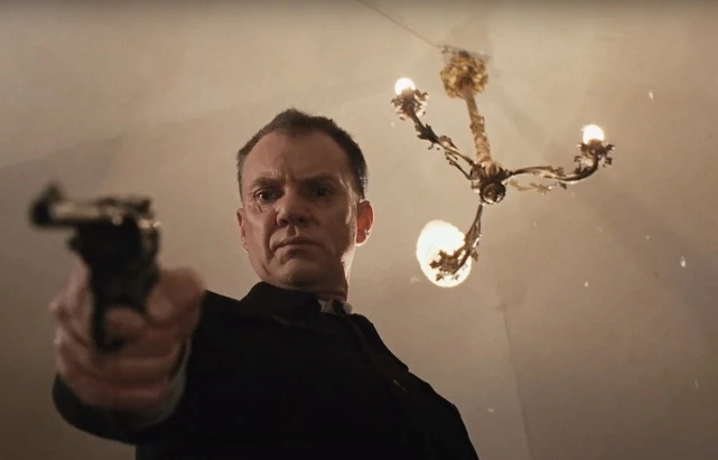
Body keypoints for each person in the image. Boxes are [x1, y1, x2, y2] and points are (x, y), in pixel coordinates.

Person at [49, 108, 480, 459]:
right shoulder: (202, 336)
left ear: (362, 221)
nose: (289, 210)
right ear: (244, 229)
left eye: (320, 191)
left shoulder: (434, 410)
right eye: (266, 195)